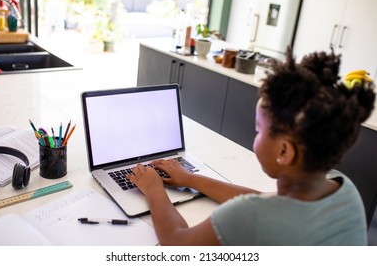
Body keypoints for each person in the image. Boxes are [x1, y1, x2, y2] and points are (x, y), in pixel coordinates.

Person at [127, 48, 376, 245]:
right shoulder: (343, 188)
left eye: (259, 130)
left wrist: (153, 188)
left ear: (284, 152)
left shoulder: (250, 217)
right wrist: (191, 179)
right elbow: (265, 200)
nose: (255, 136)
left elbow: (176, 243)